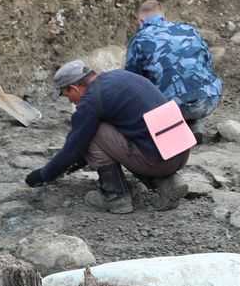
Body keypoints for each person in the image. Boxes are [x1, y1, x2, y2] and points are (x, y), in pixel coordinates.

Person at [23, 61, 191, 213]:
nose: (71, 103)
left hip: (158, 161)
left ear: (73, 88)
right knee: (122, 130)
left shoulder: (90, 102)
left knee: (93, 131)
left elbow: (73, 148)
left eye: (67, 96)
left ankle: (115, 196)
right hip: (181, 153)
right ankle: (167, 183)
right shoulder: (120, 76)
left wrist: (43, 175)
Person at [122, 0, 223, 136]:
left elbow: (132, 83)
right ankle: (194, 125)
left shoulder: (139, 40)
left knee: (144, 93)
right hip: (209, 99)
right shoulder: (188, 29)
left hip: (171, 109)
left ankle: (173, 133)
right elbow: (208, 62)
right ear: (165, 17)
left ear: (140, 21)